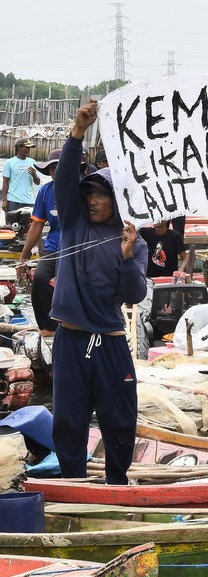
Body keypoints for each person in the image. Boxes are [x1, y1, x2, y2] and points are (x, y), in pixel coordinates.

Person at [49, 99, 148, 484]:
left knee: (120, 419)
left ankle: (117, 482)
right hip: (70, 339)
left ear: (118, 199)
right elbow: (64, 179)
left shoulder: (131, 241)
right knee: (69, 418)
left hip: (110, 341)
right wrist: (78, 133)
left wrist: (125, 258)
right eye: (90, 193)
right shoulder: (73, 222)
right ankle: (74, 481)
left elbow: (135, 296)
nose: (93, 199)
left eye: (103, 195)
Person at [19, 149, 79, 336]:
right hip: (53, 246)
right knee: (41, 278)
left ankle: (75, 323)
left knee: (72, 282)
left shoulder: (83, 187)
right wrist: (23, 256)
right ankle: (48, 327)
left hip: (78, 246)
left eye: (61, 168)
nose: (57, 172)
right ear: (49, 171)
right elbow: (36, 226)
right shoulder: (45, 191)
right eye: (53, 168)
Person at [2, 138, 40, 224]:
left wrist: (34, 174)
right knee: (12, 227)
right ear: (19, 147)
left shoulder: (32, 162)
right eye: (27, 147)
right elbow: (5, 182)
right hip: (13, 201)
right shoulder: (9, 162)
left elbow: (37, 182)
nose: (28, 150)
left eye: (30, 148)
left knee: (29, 228)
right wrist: (4, 200)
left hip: (29, 201)